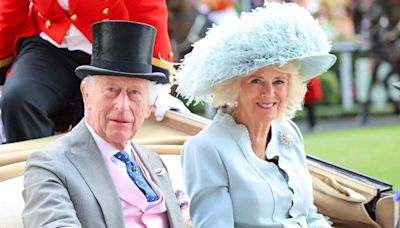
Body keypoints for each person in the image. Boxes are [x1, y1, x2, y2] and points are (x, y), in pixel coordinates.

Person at [176, 2, 337, 227]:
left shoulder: (288, 132)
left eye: (279, 81)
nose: (269, 93)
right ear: (233, 86)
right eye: (256, 81)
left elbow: (308, 215)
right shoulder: (205, 148)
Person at [22, 21, 184, 228]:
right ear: (86, 94)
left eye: (134, 93)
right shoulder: (49, 165)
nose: (122, 106)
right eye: (111, 90)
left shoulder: (154, 162)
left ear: (149, 106)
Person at [0, 0, 189, 143]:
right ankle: (34, 175)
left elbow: (148, 9)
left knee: (99, 116)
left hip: (110, 45)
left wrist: (158, 80)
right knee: (18, 99)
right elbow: (9, 11)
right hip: (49, 44)